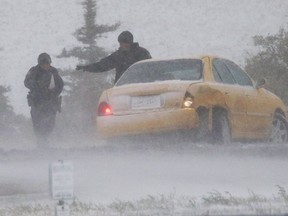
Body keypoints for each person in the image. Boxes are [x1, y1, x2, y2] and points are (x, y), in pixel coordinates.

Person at [76, 31, 152, 83]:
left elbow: (150, 69)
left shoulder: (142, 53)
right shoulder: (118, 55)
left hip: (141, 86)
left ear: (130, 42)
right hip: (121, 88)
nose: (122, 45)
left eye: (124, 43)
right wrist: (86, 68)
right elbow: (102, 65)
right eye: (121, 43)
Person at [24, 53, 64, 147]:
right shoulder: (33, 71)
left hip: (50, 102)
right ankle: (41, 141)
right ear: (39, 63)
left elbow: (60, 85)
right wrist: (36, 87)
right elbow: (26, 82)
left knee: (50, 123)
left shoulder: (53, 71)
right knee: (37, 123)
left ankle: (45, 139)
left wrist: (53, 93)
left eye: (48, 63)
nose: (46, 65)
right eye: (44, 63)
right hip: (37, 102)